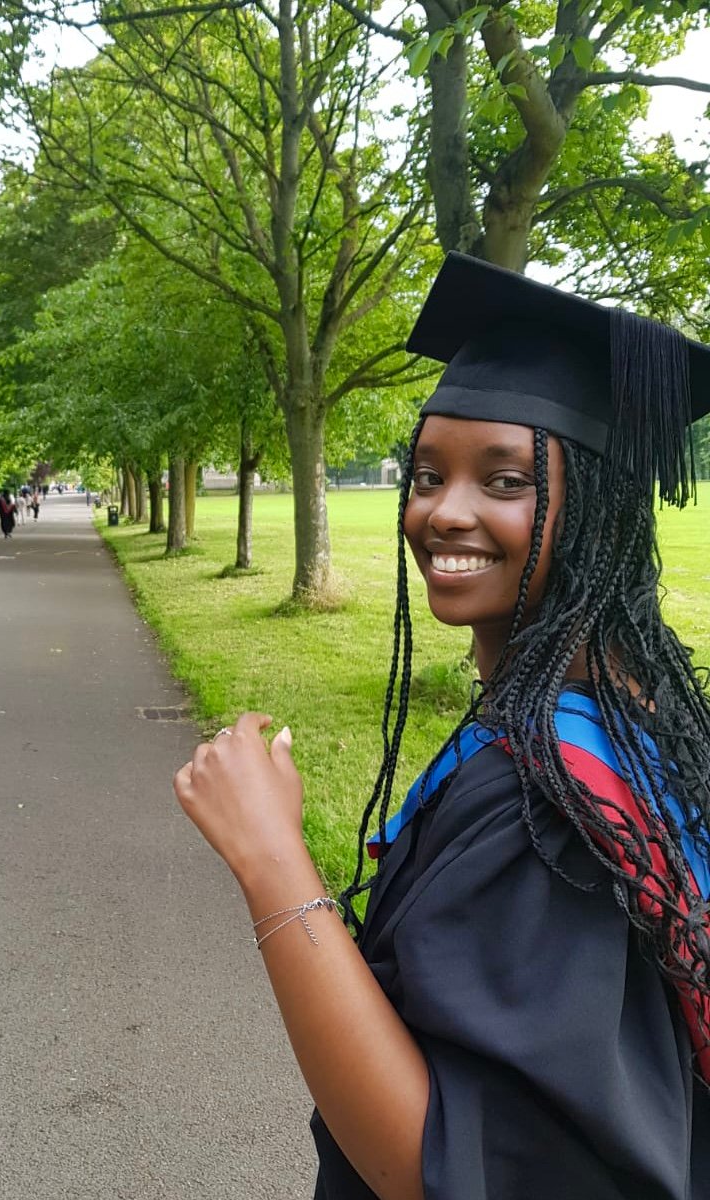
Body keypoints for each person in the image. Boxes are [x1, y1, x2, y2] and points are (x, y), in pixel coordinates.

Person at [173, 253, 710, 1200]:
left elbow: (444, 1170)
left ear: (596, 515)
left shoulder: (551, 820)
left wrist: (270, 857)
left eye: (504, 480)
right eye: (427, 474)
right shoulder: (626, 721)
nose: (442, 511)